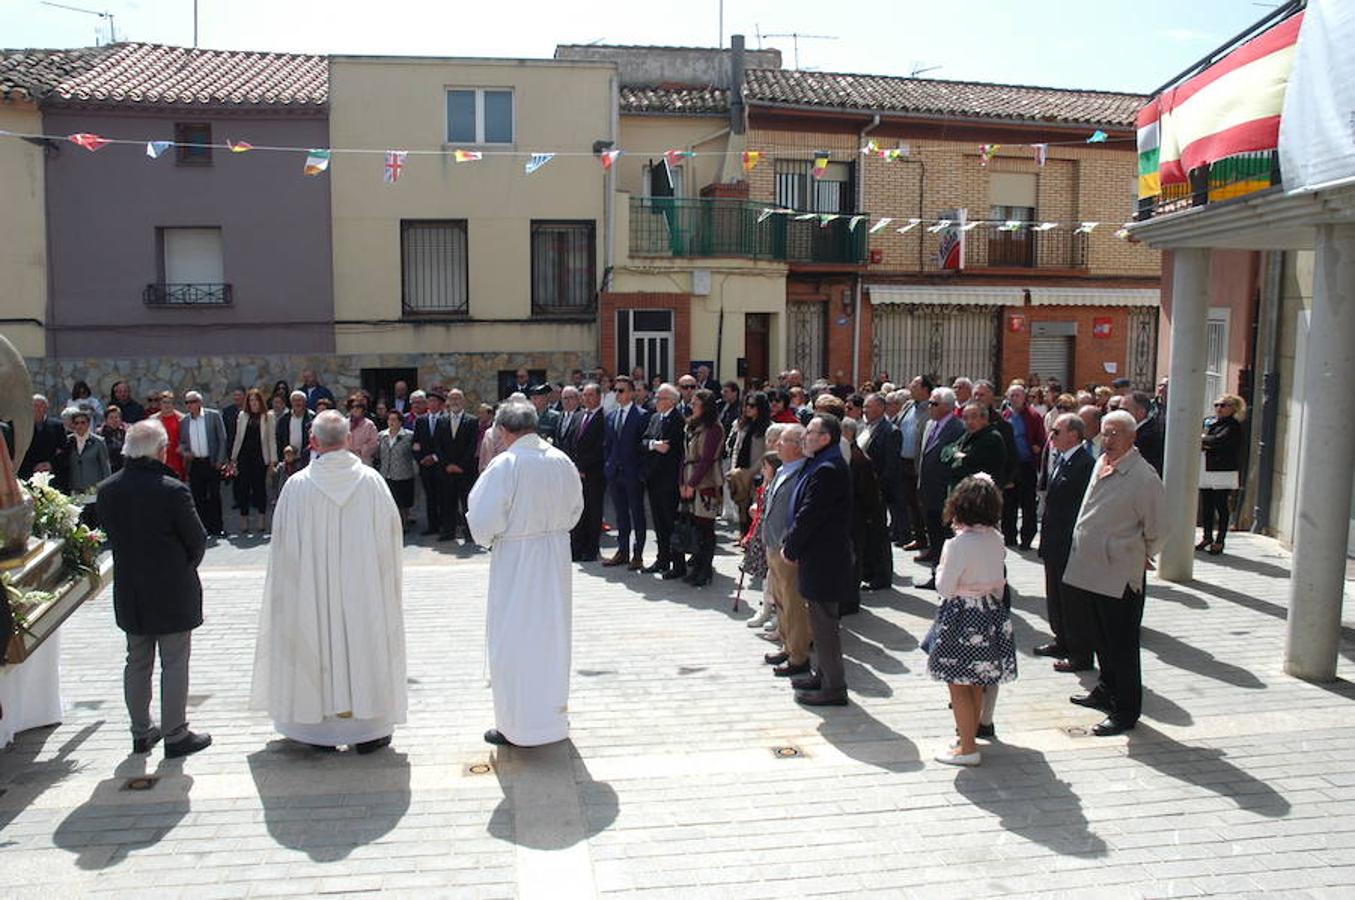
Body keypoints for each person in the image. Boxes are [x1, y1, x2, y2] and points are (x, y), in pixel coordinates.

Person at [252, 411, 406, 754]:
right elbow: (391, 538)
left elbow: (283, 551)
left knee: (314, 632)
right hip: (362, 589)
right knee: (363, 639)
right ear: (349, 440)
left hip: (312, 592)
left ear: (313, 442)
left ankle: (314, 728)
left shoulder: (296, 487)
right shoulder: (371, 483)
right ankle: (369, 728)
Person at [467, 399, 584, 747]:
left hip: (517, 561)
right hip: (555, 558)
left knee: (515, 637)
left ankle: (516, 725)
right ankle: (551, 721)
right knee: (551, 636)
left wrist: (491, 538)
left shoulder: (506, 464)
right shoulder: (561, 460)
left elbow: (483, 520)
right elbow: (577, 508)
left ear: (503, 430)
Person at [97, 419, 212, 759]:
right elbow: (197, 539)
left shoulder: (107, 490)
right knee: (174, 660)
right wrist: (184, 565)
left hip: (132, 587)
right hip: (172, 585)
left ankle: (141, 732)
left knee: (137, 660)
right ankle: (176, 734)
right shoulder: (172, 489)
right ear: (160, 451)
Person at [1062, 409, 1164, 737]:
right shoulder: (1101, 462)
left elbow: (1160, 527)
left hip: (1119, 573)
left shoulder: (1143, 477)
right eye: (1105, 432)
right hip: (1090, 570)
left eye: (1116, 433)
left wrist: (1141, 553)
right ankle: (1105, 690)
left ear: (1133, 437)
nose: (1108, 439)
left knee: (1121, 644)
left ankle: (1125, 710)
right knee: (1100, 638)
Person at [925, 474, 1016, 767]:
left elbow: (944, 587)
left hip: (962, 616)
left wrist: (941, 567)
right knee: (976, 682)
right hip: (989, 612)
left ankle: (967, 749)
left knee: (957, 684)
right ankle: (969, 737)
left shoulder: (958, 544)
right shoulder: (996, 537)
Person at [782, 413, 853, 706]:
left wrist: (791, 546)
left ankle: (834, 687)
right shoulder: (822, 461)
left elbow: (810, 514)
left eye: (810, 432)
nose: (805, 437)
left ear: (825, 438)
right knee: (818, 618)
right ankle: (821, 674)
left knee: (824, 625)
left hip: (824, 557)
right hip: (819, 555)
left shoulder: (828, 467)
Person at [1033, 413, 1095, 672]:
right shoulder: (1060, 459)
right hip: (1053, 541)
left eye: (1056, 432)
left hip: (1069, 544)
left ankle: (1080, 653)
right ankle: (1062, 639)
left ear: (1073, 434)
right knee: (1055, 596)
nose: (1051, 436)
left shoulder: (1085, 463)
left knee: (1073, 602)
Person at [761, 424, 811, 674]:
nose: (777, 444)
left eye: (783, 441)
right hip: (772, 544)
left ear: (798, 446)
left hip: (786, 549)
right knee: (780, 601)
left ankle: (799, 656)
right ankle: (786, 644)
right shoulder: (782, 468)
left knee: (793, 604)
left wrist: (788, 542)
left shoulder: (802, 472)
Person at [679, 389, 726, 587]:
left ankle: (705, 570)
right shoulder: (692, 426)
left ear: (706, 407)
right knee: (695, 526)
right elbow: (685, 457)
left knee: (706, 527)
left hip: (705, 481)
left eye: (696, 403)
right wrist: (682, 482)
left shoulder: (714, 428)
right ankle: (697, 566)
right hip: (691, 477)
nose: (692, 405)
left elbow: (706, 459)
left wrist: (692, 483)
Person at [602, 376, 650, 570]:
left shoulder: (642, 415)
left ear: (631, 393)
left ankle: (637, 554)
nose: (618, 394)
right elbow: (608, 445)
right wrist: (608, 466)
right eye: (616, 390)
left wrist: (641, 472)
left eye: (621, 391)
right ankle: (622, 551)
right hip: (615, 473)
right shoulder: (611, 416)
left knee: (637, 514)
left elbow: (644, 445)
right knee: (621, 515)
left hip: (633, 473)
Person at [917, 388, 965, 572]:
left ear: (947, 406)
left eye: (934, 404)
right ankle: (936, 571)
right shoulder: (930, 424)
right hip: (928, 491)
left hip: (943, 492)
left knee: (944, 536)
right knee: (934, 535)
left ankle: (944, 573)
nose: (929, 407)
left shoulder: (957, 428)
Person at [640, 384, 686, 578]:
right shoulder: (654, 418)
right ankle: (662, 559)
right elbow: (642, 442)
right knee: (658, 522)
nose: (655, 401)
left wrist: (657, 447)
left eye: (660, 398)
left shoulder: (678, 420)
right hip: (653, 478)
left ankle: (677, 564)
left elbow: (671, 449)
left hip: (669, 480)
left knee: (670, 523)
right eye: (656, 398)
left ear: (672, 401)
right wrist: (653, 444)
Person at [840, 417, 888, 600]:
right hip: (853, 513)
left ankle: (851, 598)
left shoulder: (859, 458)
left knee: (854, 556)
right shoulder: (849, 454)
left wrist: (868, 515)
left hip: (856, 514)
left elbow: (867, 492)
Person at [1198, 393, 1246, 555]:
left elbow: (1219, 441)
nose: (1219, 408)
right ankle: (1207, 536)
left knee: (1221, 505)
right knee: (1207, 505)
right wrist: (1206, 440)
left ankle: (1220, 540)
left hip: (1223, 470)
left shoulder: (1233, 425)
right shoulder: (1212, 422)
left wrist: (1204, 439)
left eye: (1223, 405)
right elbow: (1210, 440)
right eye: (1217, 405)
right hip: (1208, 468)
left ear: (1233, 408)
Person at [1001, 385, 1047, 550]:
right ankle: (1009, 536)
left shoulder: (1033, 416)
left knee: (1028, 503)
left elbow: (1042, 438)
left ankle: (1027, 538)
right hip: (1010, 465)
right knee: (1009, 503)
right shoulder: (1005, 415)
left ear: (1024, 397)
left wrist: (1037, 447)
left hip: (1026, 464)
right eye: (1011, 395)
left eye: (1017, 395)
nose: (1014, 398)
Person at [178, 391, 229, 537]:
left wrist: (220, 460)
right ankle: (203, 528)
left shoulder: (213, 416)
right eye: (187, 402)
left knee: (214, 495)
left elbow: (222, 438)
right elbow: (182, 442)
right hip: (195, 463)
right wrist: (185, 452)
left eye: (192, 402)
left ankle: (218, 527)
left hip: (211, 462)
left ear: (199, 402)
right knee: (198, 497)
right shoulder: (184, 421)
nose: (189, 405)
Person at [567, 383, 607, 563]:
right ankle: (576, 548)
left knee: (593, 512)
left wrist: (583, 468)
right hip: (575, 474)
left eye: (591, 395)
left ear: (599, 397)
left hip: (594, 474)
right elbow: (570, 443)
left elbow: (601, 447)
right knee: (577, 511)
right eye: (584, 395)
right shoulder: (578, 416)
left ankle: (591, 550)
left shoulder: (605, 418)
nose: (587, 398)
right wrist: (573, 466)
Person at [229, 388, 276, 538]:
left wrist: (272, 461)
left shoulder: (268, 416)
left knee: (259, 487)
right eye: (251, 400)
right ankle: (244, 519)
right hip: (244, 456)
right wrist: (233, 457)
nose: (253, 403)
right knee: (243, 487)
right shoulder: (243, 416)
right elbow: (238, 437)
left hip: (260, 456)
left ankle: (261, 518)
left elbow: (271, 439)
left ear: (260, 401)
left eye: (256, 400)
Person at [435, 388, 478, 544]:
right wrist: (447, 464)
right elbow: (437, 445)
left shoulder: (472, 421)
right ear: (447, 401)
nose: (454, 402)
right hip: (446, 470)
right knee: (447, 502)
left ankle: (469, 533)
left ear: (463, 401)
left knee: (467, 503)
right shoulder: (441, 420)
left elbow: (472, 446)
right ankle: (448, 532)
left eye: (457, 398)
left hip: (465, 470)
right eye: (451, 399)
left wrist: (460, 465)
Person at [728, 391, 771, 534]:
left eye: (752, 405)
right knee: (741, 505)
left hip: (757, 473)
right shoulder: (742, 425)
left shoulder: (768, 427)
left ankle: (751, 537)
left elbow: (766, 453)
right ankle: (742, 535)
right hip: (740, 471)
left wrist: (751, 472)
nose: (747, 408)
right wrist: (735, 470)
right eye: (746, 405)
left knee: (754, 507)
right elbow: (736, 448)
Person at [897, 377, 932, 551]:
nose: (911, 386)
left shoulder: (932, 408)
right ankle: (919, 538)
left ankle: (931, 541)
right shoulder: (908, 406)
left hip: (919, 463)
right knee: (910, 502)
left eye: (915, 384)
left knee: (923, 504)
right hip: (903, 461)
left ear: (925, 389)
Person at [377, 409, 417, 530]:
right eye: (389, 419)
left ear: (400, 422)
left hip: (403, 473)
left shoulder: (409, 436)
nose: (391, 422)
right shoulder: (382, 435)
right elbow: (377, 453)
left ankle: (403, 525)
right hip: (386, 473)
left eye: (394, 420)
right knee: (388, 500)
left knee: (402, 502)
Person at [412, 389, 445, 536]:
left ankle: (445, 526)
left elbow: (448, 444)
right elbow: (415, 444)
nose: (431, 404)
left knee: (443, 496)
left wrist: (435, 457)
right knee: (429, 497)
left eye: (434, 401)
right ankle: (432, 526)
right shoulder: (421, 421)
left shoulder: (446, 419)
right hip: (425, 466)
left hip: (441, 464)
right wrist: (421, 459)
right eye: (429, 401)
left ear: (440, 404)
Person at [60, 407, 110, 493]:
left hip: (94, 488)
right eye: (76, 423)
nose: (80, 426)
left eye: (83, 422)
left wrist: (106, 488)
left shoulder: (98, 442)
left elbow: (105, 467)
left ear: (88, 424)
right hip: (74, 488)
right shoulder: (67, 441)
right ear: (73, 425)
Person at [18, 394, 65, 481]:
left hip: (52, 473)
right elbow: (20, 450)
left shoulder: (57, 426)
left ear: (46, 408)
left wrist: (50, 464)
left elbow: (63, 449)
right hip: (28, 473)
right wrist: (34, 467)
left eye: (41, 406)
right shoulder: (23, 427)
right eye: (35, 406)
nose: (38, 409)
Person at [151, 392, 187, 480]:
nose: (167, 405)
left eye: (169, 402)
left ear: (173, 404)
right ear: (160, 404)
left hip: (177, 456)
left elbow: (187, 438)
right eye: (164, 402)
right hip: (160, 456)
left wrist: (183, 447)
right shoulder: (153, 419)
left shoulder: (182, 418)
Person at [276, 391, 314, 470]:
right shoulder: (284, 419)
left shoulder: (312, 418)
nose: (297, 403)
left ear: (305, 402)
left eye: (300, 400)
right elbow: (279, 439)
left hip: (306, 460)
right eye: (294, 400)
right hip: (288, 460)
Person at [345, 395, 379, 467]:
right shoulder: (344, 424)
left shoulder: (369, 425)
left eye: (358, 407)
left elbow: (374, 443)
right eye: (352, 407)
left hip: (363, 462)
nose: (355, 409)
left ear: (362, 409)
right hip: (347, 462)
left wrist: (361, 450)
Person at [99, 405, 127, 473]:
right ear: (106, 420)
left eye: (116, 417)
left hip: (122, 468)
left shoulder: (125, 432)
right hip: (107, 468)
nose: (114, 420)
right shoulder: (100, 434)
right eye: (111, 418)